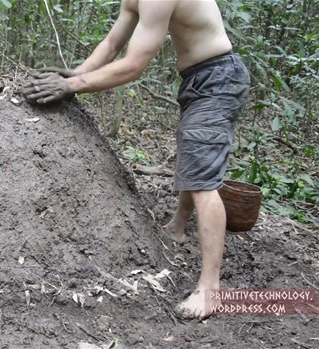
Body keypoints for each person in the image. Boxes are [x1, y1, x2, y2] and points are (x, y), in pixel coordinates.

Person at [22, 0, 250, 320]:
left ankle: (210, 289)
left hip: (219, 77)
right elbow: (113, 42)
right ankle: (177, 228)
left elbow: (134, 65)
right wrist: (77, 74)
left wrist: (72, 85)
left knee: (202, 177)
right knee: (191, 152)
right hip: (199, 77)